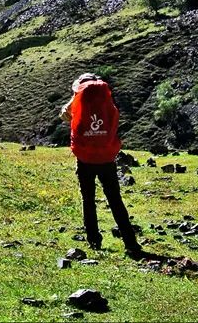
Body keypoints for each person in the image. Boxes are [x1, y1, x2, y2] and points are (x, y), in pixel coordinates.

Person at [60, 73, 143, 258]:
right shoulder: (106, 98)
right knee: (115, 200)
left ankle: (94, 241)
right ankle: (131, 243)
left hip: (85, 158)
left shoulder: (78, 98)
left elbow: (65, 115)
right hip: (106, 157)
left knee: (88, 199)